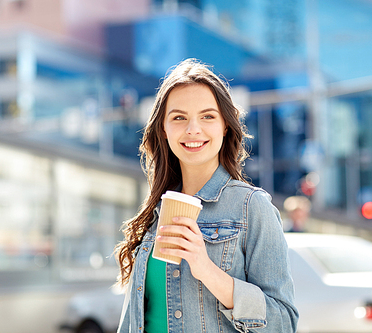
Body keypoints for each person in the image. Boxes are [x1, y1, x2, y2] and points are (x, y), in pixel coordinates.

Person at [114, 59, 298, 333]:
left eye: (207, 116)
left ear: (225, 125)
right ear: (163, 129)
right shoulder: (156, 212)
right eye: (179, 118)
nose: (193, 129)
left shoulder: (251, 207)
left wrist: (206, 269)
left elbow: (283, 322)